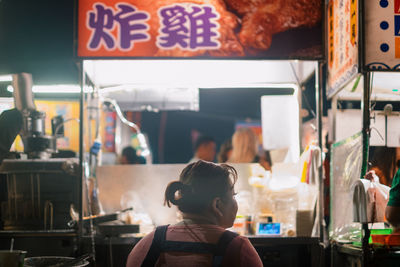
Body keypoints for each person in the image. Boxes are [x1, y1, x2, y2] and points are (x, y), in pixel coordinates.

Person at [126, 160, 262, 267]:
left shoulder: (150, 242)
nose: (235, 202)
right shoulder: (237, 248)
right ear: (217, 205)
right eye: (233, 196)